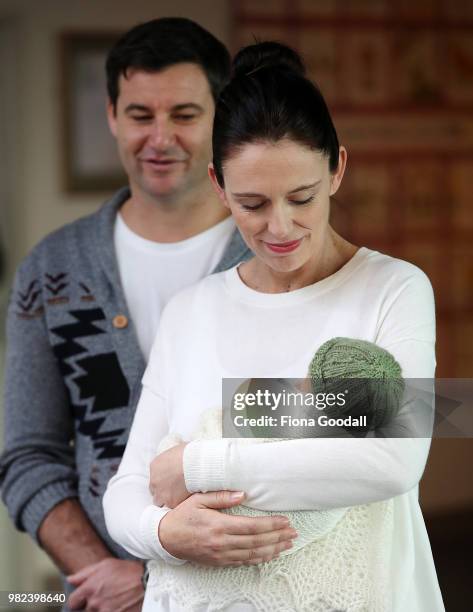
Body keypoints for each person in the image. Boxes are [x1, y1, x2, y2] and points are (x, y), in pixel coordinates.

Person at [103, 41, 444, 611]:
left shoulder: (394, 290)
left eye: (302, 197)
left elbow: (394, 459)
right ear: (218, 185)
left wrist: (198, 465)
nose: (279, 226)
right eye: (252, 203)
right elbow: (130, 490)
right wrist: (165, 535)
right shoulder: (192, 311)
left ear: (337, 167)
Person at [0, 17, 263, 612]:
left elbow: (360, 416)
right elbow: (29, 457)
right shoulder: (51, 270)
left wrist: (157, 577)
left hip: (256, 592)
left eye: (185, 115)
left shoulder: (278, 255)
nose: (160, 137)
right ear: (113, 117)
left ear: (221, 116)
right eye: (141, 115)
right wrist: (110, 578)